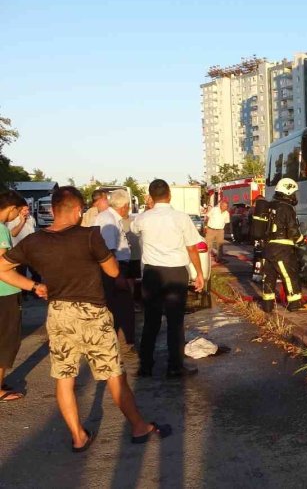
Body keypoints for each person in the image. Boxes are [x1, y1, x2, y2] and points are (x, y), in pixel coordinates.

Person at [0, 187, 171, 450]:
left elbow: (2, 268)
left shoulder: (34, 241)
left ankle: (78, 436)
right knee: (114, 374)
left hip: (59, 314)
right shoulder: (90, 235)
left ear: (52, 210)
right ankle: (139, 426)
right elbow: (113, 271)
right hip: (92, 315)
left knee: (64, 377)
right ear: (79, 211)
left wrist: (33, 287)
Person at [131, 180, 205, 379]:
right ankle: (174, 367)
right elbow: (192, 248)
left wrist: (148, 208)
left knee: (151, 321)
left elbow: (134, 229)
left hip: (152, 273)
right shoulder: (181, 218)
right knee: (175, 321)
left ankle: (145, 366)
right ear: (169, 194)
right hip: (176, 273)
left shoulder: (142, 218)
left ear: (150, 196)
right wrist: (199, 273)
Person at [259, 178, 307, 313]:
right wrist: (301, 239)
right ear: (288, 192)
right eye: (293, 193)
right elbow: (293, 230)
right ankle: (294, 304)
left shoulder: (271, 206)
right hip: (282, 248)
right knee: (289, 275)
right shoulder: (286, 208)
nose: (294, 196)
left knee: (269, 277)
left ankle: (267, 305)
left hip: (268, 247)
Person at [94, 189, 136, 350]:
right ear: (124, 206)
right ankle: (120, 342)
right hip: (114, 268)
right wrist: (117, 275)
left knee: (119, 306)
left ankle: (120, 340)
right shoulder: (109, 220)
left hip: (114, 267)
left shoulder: (109, 217)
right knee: (121, 306)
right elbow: (109, 250)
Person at [0, 191, 28, 402]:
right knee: (7, 340)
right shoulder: (1, 230)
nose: (17, 216)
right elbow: (3, 264)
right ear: (11, 208)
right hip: (6, 291)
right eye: (17, 211)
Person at [7, 203, 41, 292]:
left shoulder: (31, 218)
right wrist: (22, 222)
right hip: (19, 250)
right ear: (19, 210)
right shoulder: (12, 220)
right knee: (21, 272)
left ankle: (36, 291)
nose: (27, 212)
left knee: (36, 271)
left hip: (31, 250)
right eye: (25, 210)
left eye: (28, 209)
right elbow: (13, 234)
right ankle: (23, 292)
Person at [205, 199, 229, 263]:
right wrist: (206, 226)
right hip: (211, 229)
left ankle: (219, 259)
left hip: (220, 231)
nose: (225, 207)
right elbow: (207, 217)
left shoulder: (227, 213)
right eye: (224, 206)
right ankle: (206, 259)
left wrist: (223, 231)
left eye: (226, 206)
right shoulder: (214, 209)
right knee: (208, 245)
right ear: (220, 205)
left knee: (220, 245)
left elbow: (227, 223)